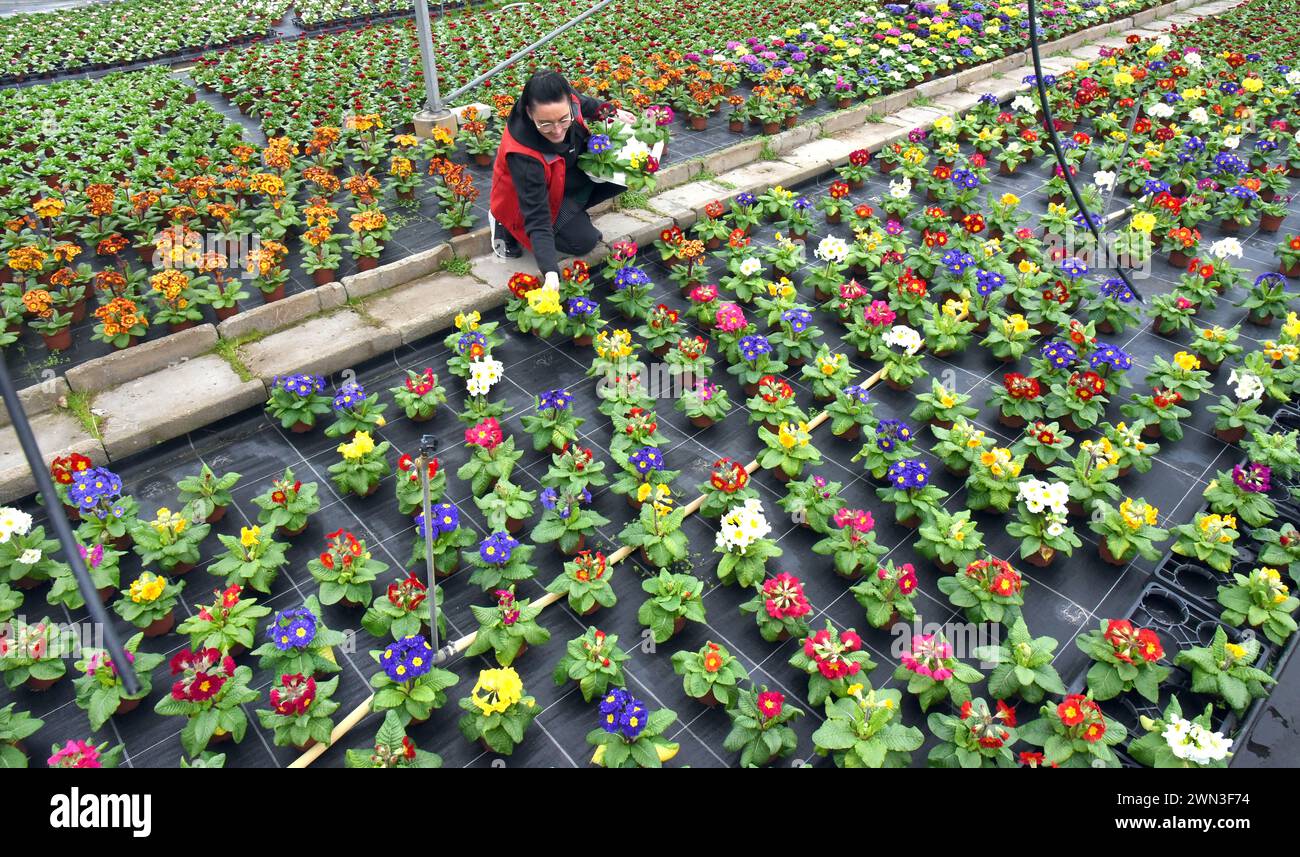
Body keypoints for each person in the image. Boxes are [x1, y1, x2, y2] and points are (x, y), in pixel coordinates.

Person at [488, 70, 636, 289]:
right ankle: (502, 221)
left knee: (625, 173)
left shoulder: (567, 100)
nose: (557, 130)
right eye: (545, 123)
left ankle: (569, 213)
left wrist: (614, 112)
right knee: (583, 241)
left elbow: (586, 104)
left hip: (562, 177)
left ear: (569, 103)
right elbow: (537, 217)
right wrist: (550, 272)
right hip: (525, 201)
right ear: (529, 113)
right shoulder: (523, 155)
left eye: (563, 119)